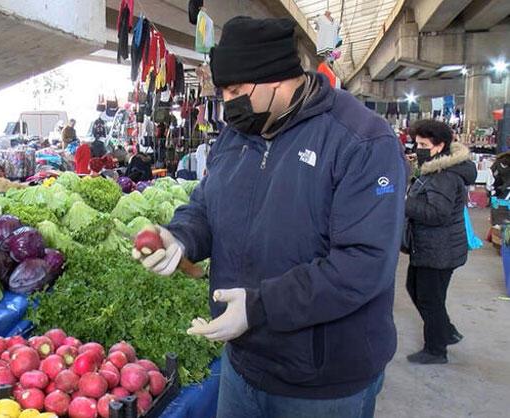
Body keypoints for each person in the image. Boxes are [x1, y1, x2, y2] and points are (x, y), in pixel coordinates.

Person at [132, 17, 406, 418]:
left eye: (236, 91)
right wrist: (180, 237)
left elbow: (364, 264)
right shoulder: (237, 134)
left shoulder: (360, 142)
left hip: (321, 383)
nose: (228, 103)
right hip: (243, 364)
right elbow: (208, 204)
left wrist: (261, 307)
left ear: (277, 79)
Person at [404, 120, 476, 364]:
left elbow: (438, 213)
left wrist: (403, 204)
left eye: (423, 144)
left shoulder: (443, 175)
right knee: (415, 288)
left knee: (429, 298)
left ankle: (436, 350)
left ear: (440, 145)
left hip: (439, 249)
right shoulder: (432, 168)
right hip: (430, 247)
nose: (418, 147)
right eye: (416, 142)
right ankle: (446, 331)